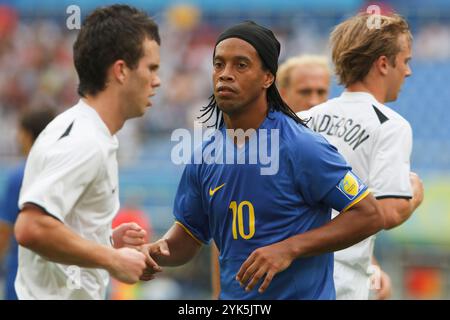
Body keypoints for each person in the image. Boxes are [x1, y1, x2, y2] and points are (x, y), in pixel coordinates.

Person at [139, 21, 386, 300]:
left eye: (240, 65)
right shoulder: (205, 155)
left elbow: (369, 214)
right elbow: (188, 236)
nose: (225, 75)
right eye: (219, 64)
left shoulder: (301, 146)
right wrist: (153, 251)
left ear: (268, 77)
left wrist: (290, 248)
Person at [13, 4, 161, 299]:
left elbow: (56, 228)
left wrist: (103, 241)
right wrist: (113, 259)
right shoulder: (85, 141)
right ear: (121, 71)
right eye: (151, 68)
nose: (157, 80)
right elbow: (31, 227)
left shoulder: (81, 129)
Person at [299, 13, 424, 300]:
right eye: (405, 61)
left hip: (291, 270)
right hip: (340, 278)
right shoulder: (391, 125)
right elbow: (389, 211)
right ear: (383, 64)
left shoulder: (303, 119)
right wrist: (415, 193)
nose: (408, 72)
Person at [0, 108, 55, 300]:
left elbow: (4, 232)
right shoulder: (63, 171)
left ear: (28, 135)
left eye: (20, 132)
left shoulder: (19, 176)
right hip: (59, 277)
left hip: (22, 277)